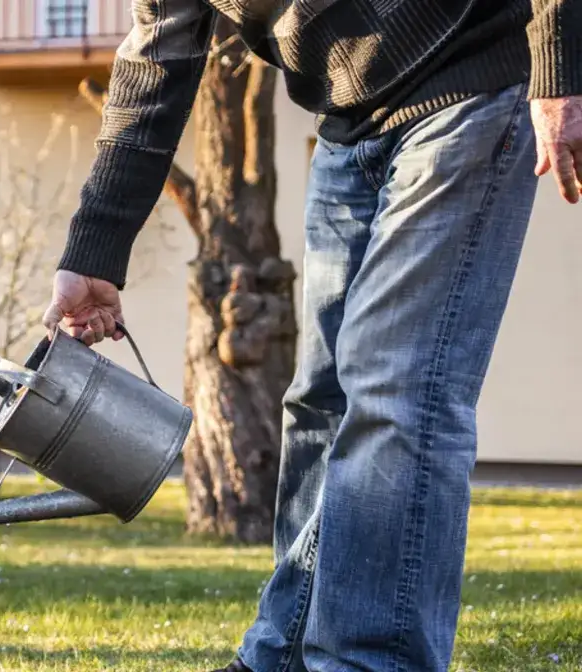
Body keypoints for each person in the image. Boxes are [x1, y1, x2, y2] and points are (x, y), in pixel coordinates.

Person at [40, 1, 580, 671]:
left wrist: (559, 64)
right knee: (318, 408)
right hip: (348, 122)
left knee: (396, 393)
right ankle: (284, 654)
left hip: (469, 77)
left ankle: (371, 660)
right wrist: (94, 251)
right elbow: (157, 56)